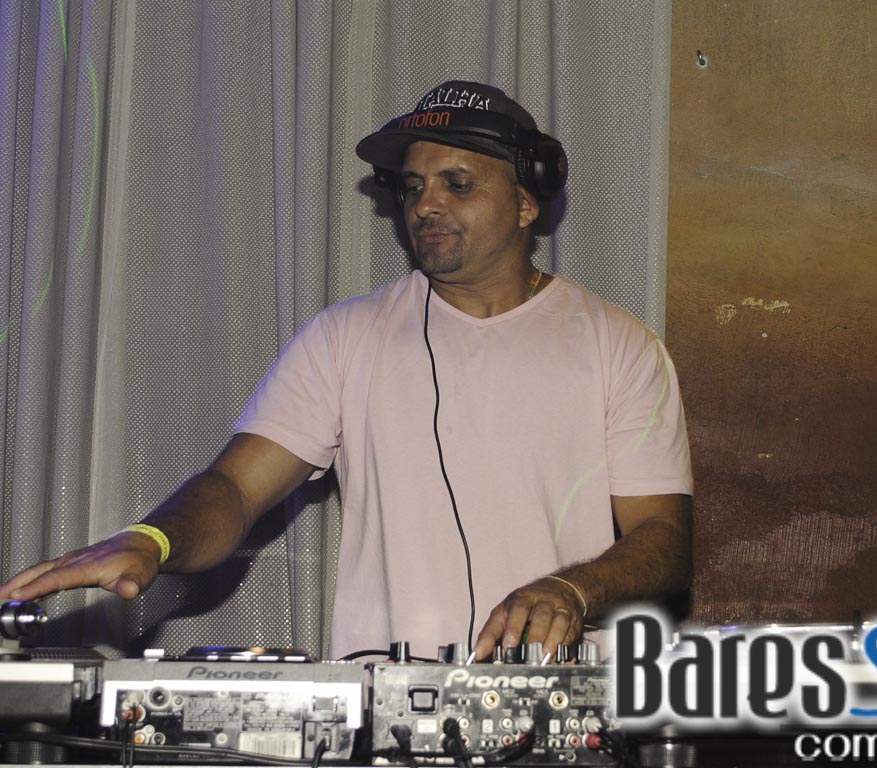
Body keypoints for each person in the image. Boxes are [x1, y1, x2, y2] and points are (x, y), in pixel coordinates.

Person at [0, 81, 693, 661]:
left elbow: (663, 541)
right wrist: (154, 539)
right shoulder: (345, 338)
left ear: (525, 201)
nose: (426, 204)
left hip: (561, 709)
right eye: (413, 187)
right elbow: (235, 490)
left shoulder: (617, 344)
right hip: (385, 715)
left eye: (457, 184)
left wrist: (573, 590)